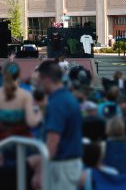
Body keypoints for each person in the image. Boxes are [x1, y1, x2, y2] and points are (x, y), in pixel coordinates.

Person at [30, 60, 83, 190]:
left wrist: (40, 171)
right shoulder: (66, 98)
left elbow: (53, 142)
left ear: (46, 79)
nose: (38, 86)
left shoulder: (57, 103)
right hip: (69, 164)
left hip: (62, 167)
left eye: (39, 82)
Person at [0, 62, 41, 143]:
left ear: (3, 73)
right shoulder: (26, 95)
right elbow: (31, 122)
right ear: (18, 75)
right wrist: (41, 111)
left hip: (1, 142)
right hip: (22, 142)